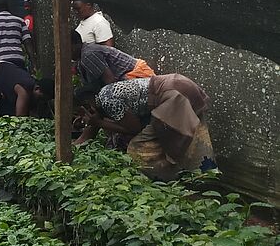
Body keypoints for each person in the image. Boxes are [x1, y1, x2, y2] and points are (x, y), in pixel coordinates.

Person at [77, 74, 216, 180]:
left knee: (139, 148)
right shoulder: (106, 92)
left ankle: (169, 178)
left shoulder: (107, 101)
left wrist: (98, 123)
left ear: (89, 101)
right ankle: (207, 176)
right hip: (179, 84)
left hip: (173, 94)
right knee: (196, 135)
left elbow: (134, 129)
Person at [71, 31, 156, 98]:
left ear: (75, 44)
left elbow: (110, 82)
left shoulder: (88, 55)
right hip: (130, 81)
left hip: (139, 78)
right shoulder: (81, 59)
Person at [0, 1, 36, 69]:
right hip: (18, 59)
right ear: (8, 9)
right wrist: (33, 63)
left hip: (0, 61)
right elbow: (27, 42)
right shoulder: (20, 20)